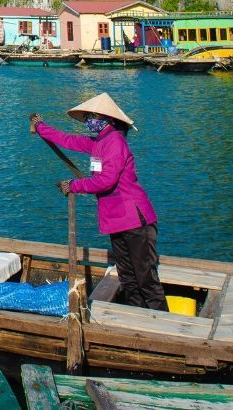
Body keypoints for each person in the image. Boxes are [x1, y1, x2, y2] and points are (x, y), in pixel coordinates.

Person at [29, 93, 166, 311]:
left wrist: (74, 185)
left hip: (134, 219)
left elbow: (106, 180)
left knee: (145, 277)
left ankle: (162, 323)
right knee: (128, 276)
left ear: (106, 119)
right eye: (88, 117)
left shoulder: (115, 142)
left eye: (92, 116)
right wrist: (42, 127)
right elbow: (68, 140)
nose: (88, 121)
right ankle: (136, 318)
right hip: (117, 220)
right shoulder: (99, 142)